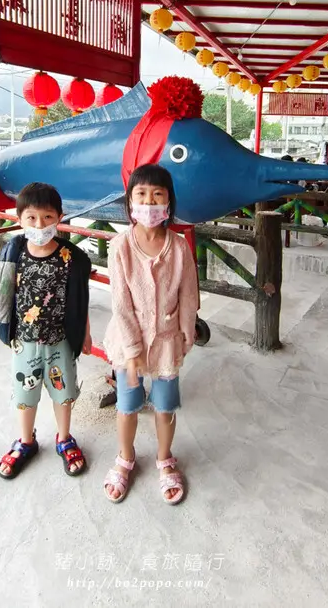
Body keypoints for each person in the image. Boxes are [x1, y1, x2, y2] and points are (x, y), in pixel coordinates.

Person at [0, 182, 92, 480]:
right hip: (25, 343)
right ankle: (26, 441)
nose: (39, 224)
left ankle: (65, 438)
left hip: (61, 342)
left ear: (60, 217)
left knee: (64, 395)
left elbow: (80, 299)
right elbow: (2, 292)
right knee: (24, 396)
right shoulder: (14, 252)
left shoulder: (71, 258)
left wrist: (86, 333)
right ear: (19, 218)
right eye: (31, 217)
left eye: (47, 217)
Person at [103, 163, 199, 505]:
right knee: (127, 406)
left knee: (164, 406)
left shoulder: (179, 247)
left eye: (157, 195)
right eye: (141, 195)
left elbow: (189, 294)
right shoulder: (120, 247)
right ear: (130, 202)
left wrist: (186, 335)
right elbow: (120, 304)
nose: (149, 202)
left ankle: (164, 459)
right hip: (128, 345)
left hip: (167, 343)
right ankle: (125, 458)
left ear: (169, 203)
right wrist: (131, 350)